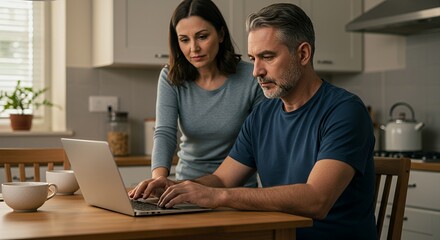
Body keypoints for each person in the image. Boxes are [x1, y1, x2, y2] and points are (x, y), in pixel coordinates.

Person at [130, 3, 376, 239]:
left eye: (267, 57)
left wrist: (220, 197)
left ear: (303, 54)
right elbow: (222, 179)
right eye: (253, 58)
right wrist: (176, 187)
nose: (256, 71)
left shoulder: (345, 111)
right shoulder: (262, 115)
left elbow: (316, 199)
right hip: (274, 235)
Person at [148, 0, 264, 186]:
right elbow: (164, 133)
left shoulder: (253, 77)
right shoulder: (171, 77)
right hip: (185, 189)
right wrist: (160, 180)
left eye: (202, 37)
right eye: (184, 40)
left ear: (220, 34)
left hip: (236, 191)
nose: (193, 48)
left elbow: (258, 144)